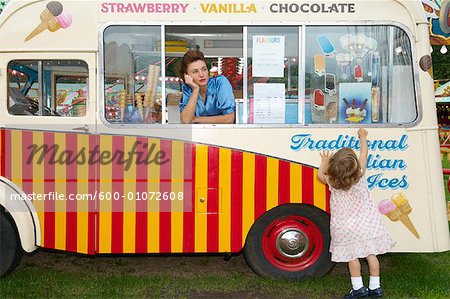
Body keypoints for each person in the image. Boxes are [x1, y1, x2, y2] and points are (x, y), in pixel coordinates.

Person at [318, 128, 395, 298]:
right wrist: (363, 137)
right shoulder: (360, 177)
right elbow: (364, 153)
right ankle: (375, 287)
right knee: (370, 256)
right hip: (366, 226)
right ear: (355, 167)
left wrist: (324, 161)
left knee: (352, 258)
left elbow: (320, 174)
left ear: (333, 169)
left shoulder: (332, 182)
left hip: (345, 229)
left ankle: (358, 288)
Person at [179, 50, 235, 124]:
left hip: (223, 133)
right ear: (186, 76)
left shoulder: (220, 82)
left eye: (204, 69)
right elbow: (186, 120)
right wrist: (195, 90)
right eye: (195, 71)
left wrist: (196, 119)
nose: (201, 74)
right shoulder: (188, 88)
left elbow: (229, 118)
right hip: (198, 134)